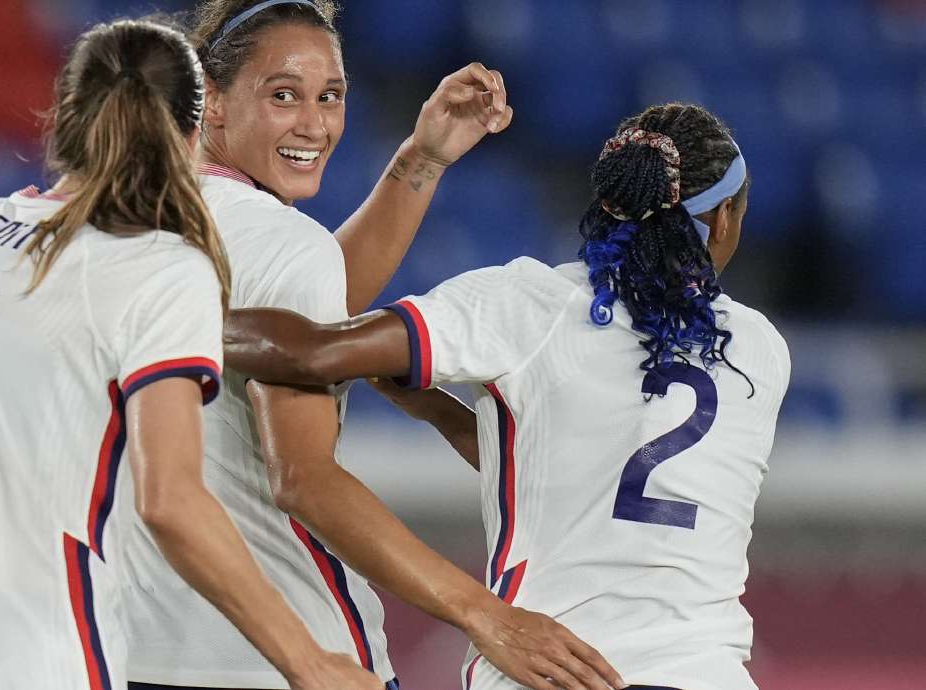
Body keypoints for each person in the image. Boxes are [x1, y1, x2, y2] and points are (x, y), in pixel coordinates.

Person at [0, 18, 380, 690]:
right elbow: (171, 501)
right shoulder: (158, 271)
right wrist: (309, 662)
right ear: (194, 135)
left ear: (65, 121)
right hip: (51, 666)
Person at [122, 2, 621, 690]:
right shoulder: (280, 245)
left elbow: (309, 305)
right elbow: (302, 478)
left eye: (331, 97)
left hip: (129, 646)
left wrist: (421, 161)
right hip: (293, 655)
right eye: (283, 95)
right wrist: (486, 616)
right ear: (208, 101)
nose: (314, 124)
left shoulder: (118, 223)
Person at [224, 102, 791, 690]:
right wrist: (442, 416)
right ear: (724, 219)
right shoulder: (760, 351)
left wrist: (157, 313)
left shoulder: (532, 303)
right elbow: (599, 471)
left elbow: (308, 352)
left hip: (550, 669)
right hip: (705, 674)